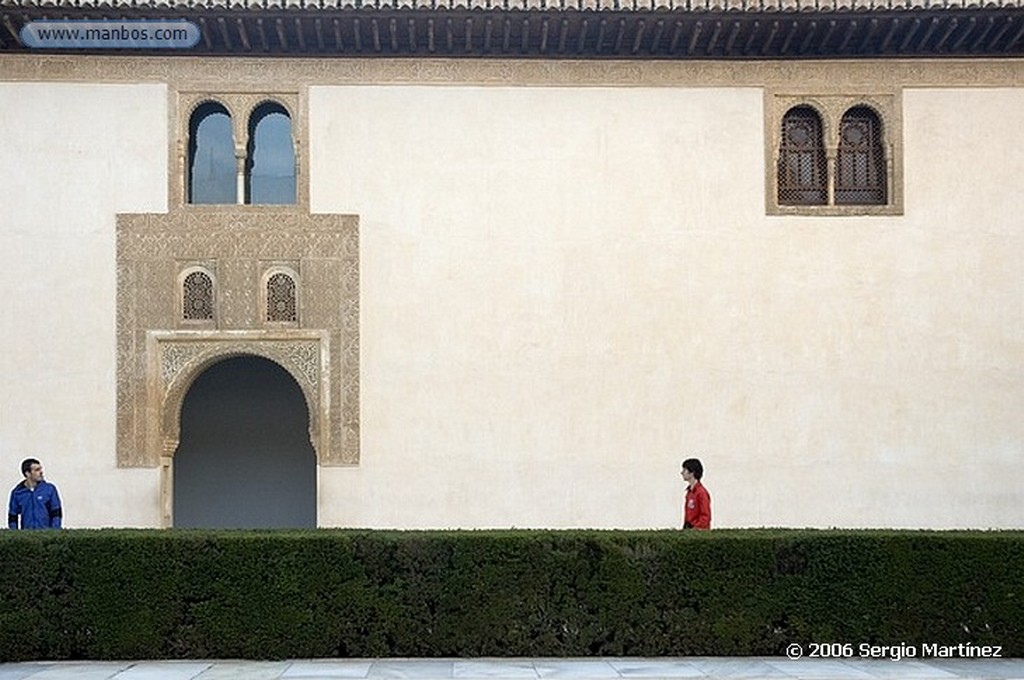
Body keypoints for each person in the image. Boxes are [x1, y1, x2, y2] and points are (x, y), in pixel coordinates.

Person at [8, 458, 63, 530]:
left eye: (40, 469)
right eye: (37, 470)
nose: (41, 472)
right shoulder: (17, 493)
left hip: (46, 535)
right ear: (27, 473)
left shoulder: (49, 489)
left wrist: (54, 533)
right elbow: (12, 517)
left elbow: (56, 513)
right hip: (27, 537)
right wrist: (15, 535)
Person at [680, 457, 711, 530]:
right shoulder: (689, 492)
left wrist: (695, 529)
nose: (682, 473)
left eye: (684, 470)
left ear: (692, 472)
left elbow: (705, 517)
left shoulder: (701, 493)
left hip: (698, 532)